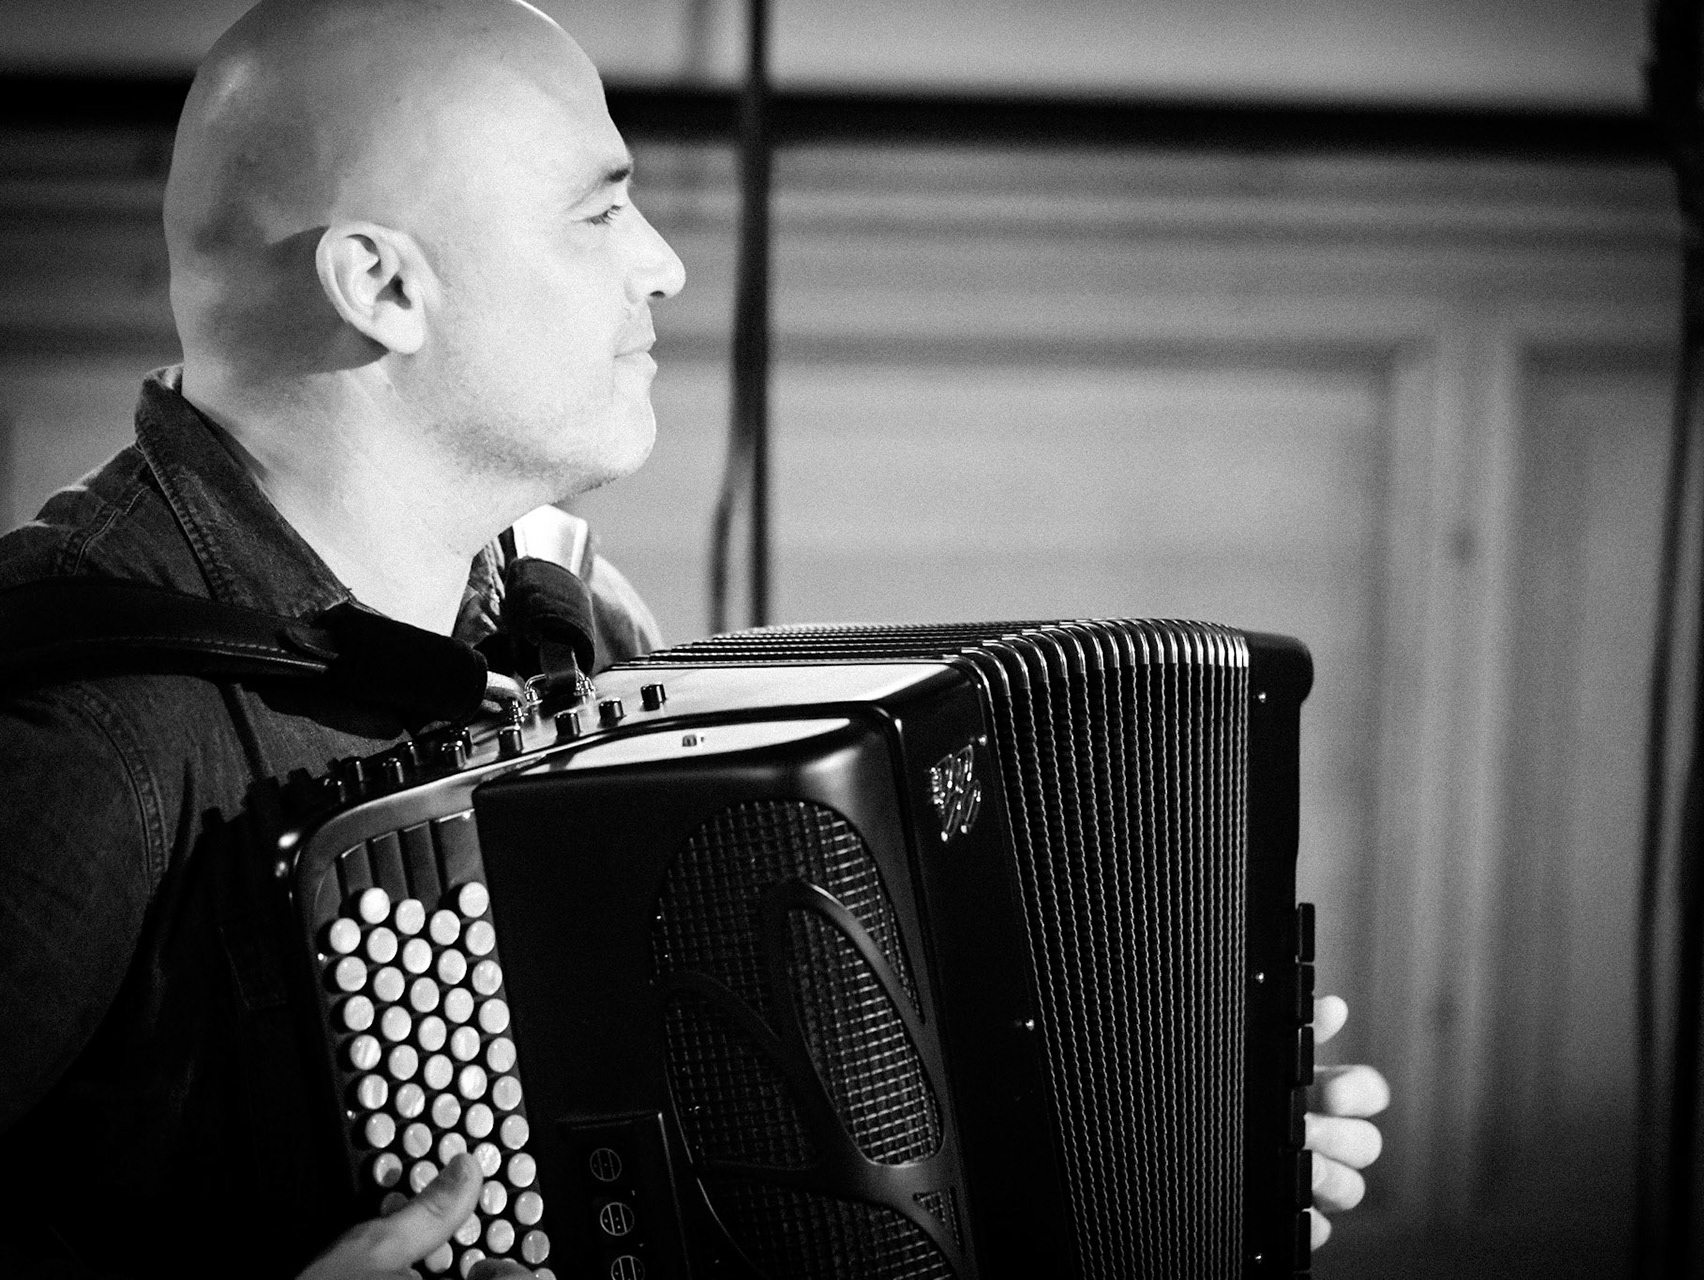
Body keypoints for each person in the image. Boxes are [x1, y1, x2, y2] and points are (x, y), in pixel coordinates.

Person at [0, 1, 1387, 1276]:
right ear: (383, 286)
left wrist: (1190, 1155)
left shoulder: (565, 623)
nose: (662, 265)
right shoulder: (81, 724)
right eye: (598, 213)